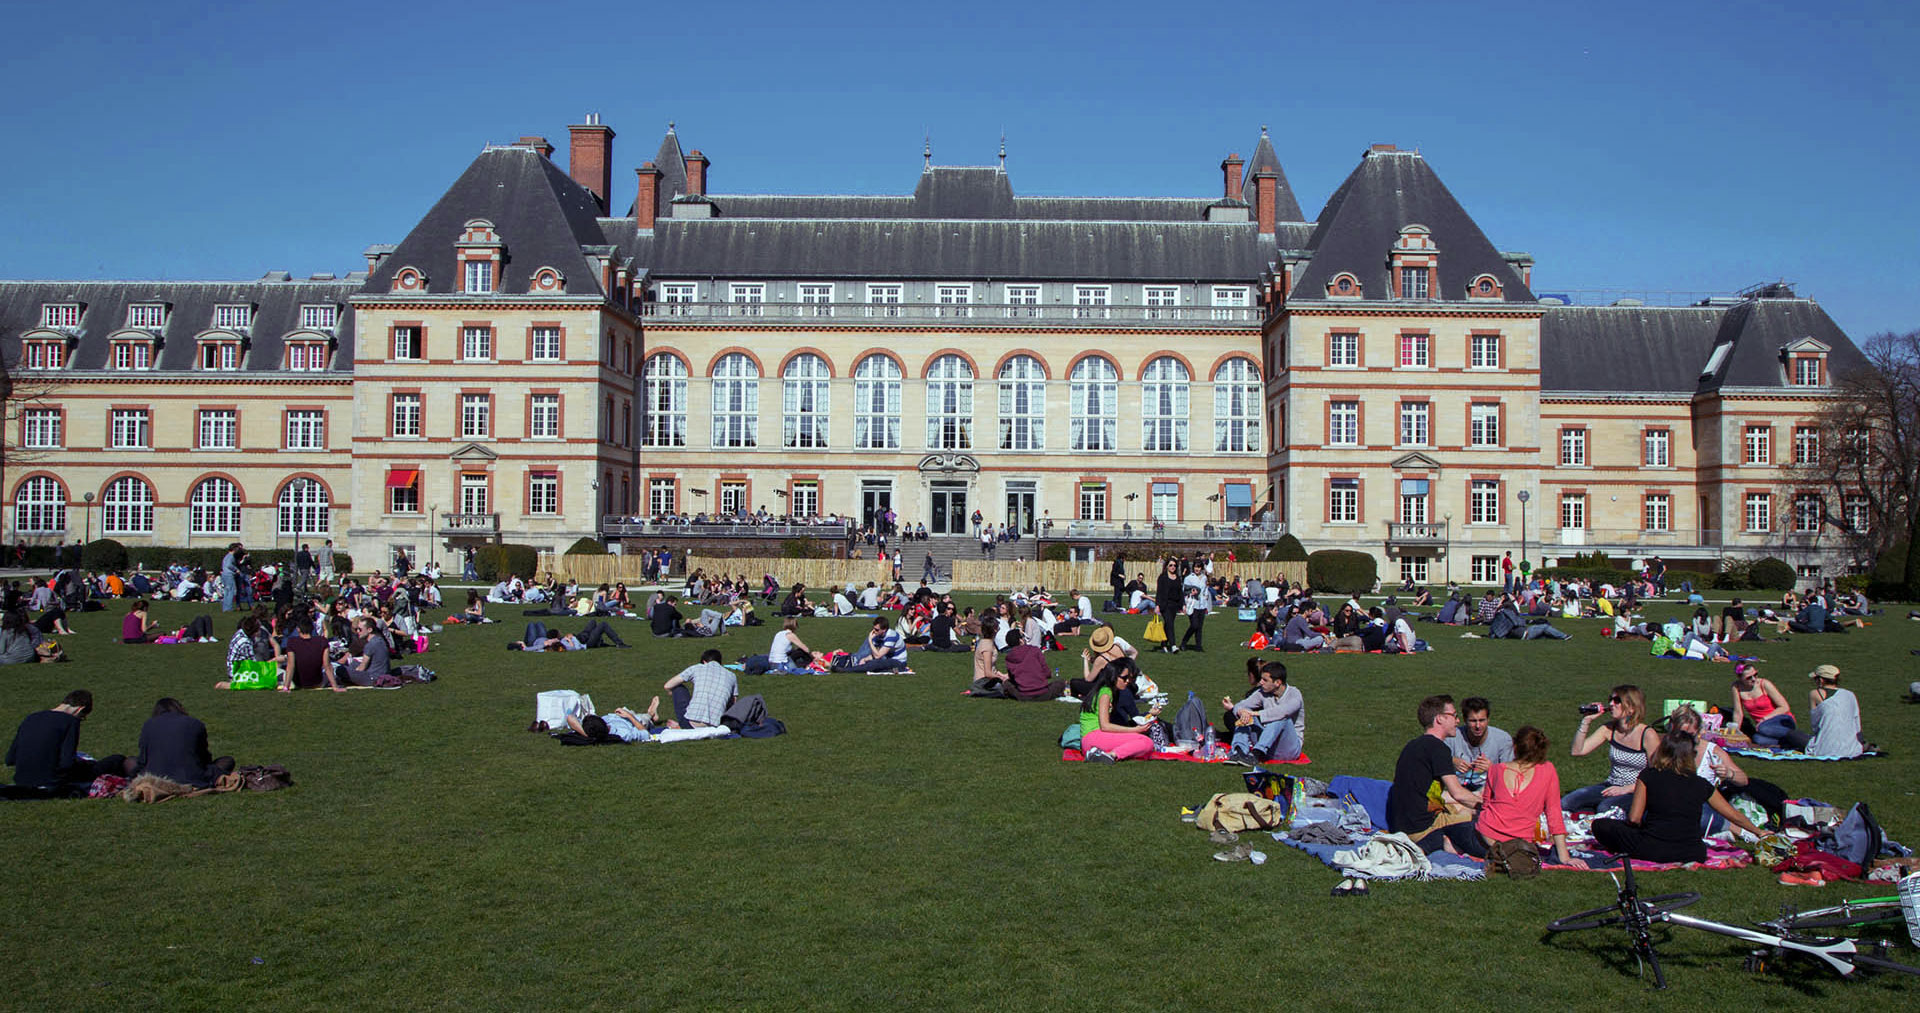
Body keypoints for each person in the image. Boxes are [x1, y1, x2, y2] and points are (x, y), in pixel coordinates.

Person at [1590, 732, 1766, 864]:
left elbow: (1634, 818)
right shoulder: (1701, 784)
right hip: (1692, 852)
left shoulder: (1648, 776)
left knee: (1600, 825)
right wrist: (1759, 832)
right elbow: (1733, 815)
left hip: (1652, 848)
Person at [1475, 726, 1587, 871]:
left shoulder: (1496, 769)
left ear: (1515, 746)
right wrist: (1565, 856)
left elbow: (1486, 805)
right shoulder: (1548, 770)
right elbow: (1554, 813)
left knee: (1454, 833)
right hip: (1520, 844)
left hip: (1487, 838)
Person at [1385, 694, 1485, 856]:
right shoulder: (1438, 749)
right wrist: (1489, 807)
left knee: (1461, 809)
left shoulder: (1413, 745)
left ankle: (1444, 842)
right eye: (1454, 715)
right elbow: (1458, 793)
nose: (1458, 721)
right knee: (1481, 820)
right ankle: (1441, 842)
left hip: (1402, 825)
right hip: (1422, 828)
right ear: (1440, 718)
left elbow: (1428, 793)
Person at [1666, 705, 1788, 828]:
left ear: (1699, 732)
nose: (1685, 740)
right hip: (1671, 803)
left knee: (1702, 817)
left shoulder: (1712, 751)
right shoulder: (1664, 749)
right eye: (1680, 735)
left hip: (1703, 806)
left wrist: (1729, 774)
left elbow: (1744, 780)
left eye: (1690, 735)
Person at [6, 690, 129, 794]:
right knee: (116, 759)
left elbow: (10, 759)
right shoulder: (70, 721)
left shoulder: (31, 718)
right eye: (82, 717)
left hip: (21, 780)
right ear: (80, 709)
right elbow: (67, 763)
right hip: (51, 781)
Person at [1562, 684, 1660, 813]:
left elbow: (1657, 774)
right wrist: (1586, 720)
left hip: (1636, 790)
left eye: (1617, 701)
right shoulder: (1609, 729)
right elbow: (1577, 751)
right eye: (1610, 699)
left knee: (1605, 808)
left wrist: (1626, 789)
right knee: (1567, 802)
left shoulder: (1647, 735)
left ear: (1631, 707)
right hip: (1611, 785)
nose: (1611, 704)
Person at [134, 698, 234, 788]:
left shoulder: (148, 724)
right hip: (191, 777)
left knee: (131, 761)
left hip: (155, 776)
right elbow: (204, 757)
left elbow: (143, 759)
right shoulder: (195, 723)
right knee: (227, 761)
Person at [1223, 661, 1304, 763]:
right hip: (1269, 745)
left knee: (1281, 718)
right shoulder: (1262, 692)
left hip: (1289, 749)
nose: (1261, 682)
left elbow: (1282, 712)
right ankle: (1239, 752)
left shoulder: (1294, 694)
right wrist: (1242, 712)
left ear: (1277, 682)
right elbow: (1241, 705)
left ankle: (1256, 754)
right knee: (1246, 716)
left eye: (1265, 680)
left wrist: (1255, 713)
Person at [1078, 659, 1156, 762]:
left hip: (1091, 739)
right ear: (1113, 677)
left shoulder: (1105, 690)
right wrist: (1135, 730)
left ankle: (1103, 754)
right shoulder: (1106, 693)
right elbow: (1105, 726)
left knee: (1140, 741)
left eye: (1128, 678)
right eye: (1124, 678)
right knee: (1146, 742)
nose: (1127, 681)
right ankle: (1111, 755)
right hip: (1093, 738)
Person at [1730, 663, 1810, 750]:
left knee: (1763, 728)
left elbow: (1784, 707)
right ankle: (1790, 742)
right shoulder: (1736, 687)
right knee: (1757, 739)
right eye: (1749, 678)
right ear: (1740, 678)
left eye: (1755, 675)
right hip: (1764, 727)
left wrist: (1765, 719)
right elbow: (1738, 712)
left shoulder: (1764, 684)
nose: (1754, 679)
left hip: (1781, 720)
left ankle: (1804, 739)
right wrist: (1735, 730)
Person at [1445, 696, 1514, 791]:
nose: (1478, 726)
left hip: (1488, 791)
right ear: (1465, 720)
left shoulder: (1503, 739)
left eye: (1482, 720)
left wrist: (1492, 769)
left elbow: (1510, 775)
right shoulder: (1451, 737)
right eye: (1473, 721)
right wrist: (1451, 760)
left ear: (1488, 719)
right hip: (1457, 791)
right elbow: (1432, 757)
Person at [662, 649, 737, 727]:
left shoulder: (697, 668)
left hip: (690, 724)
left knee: (678, 688)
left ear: (704, 662)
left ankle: (682, 725)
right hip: (716, 727)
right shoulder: (732, 676)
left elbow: (668, 685)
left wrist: (672, 692)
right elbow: (733, 704)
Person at [1805, 664, 1864, 758]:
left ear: (1821, 680)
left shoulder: (1815, 694)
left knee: (1790, 734)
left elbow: (1815, 724)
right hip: (1851, 747)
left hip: (1826, 748)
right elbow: (1856, 723)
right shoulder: (1850, 695)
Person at [999, 629, 1064, 700]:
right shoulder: (1035, 650)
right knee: (1060, 682)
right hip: (1043, 693)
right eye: (1023, 636)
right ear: (1021, 640)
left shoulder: (1009, 657)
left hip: (1023, 695)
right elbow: (1047, 673)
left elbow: (1012, 678)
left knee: (1006, 683)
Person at [741, 617, 814, 674]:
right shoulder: (790, 635)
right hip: (780, 663)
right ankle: (810, 664)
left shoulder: (779, 633)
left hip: (771, 662)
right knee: (800, 654)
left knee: (795, 653)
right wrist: (812, 655)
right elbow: (805, 648)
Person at [342, 616, 392, 686]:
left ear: (369, 630)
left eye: (360, 629)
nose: (357, 631)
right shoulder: (380, 640)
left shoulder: (370, 645)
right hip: (383, 675)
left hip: (373, 678)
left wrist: (353, 673)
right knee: (355, 663)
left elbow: (362, 668)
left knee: (340, 669)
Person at [1154, 559, 1184, 653]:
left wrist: (1183, 604)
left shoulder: (1177, 578)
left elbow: (1180, 592)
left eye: (1174, 565)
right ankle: (1173, 645)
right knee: (1170, 623)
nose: (1173, 567)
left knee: (1167, 625)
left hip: (1174, 605)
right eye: (1171, 565)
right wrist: (1157, 605)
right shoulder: (1162, 577)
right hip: (1165, 605)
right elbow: (1159, 592)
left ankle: (1163, 645)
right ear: (1167, 566)